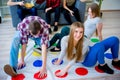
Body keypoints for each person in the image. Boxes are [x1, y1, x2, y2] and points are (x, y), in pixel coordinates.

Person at [53, 22, 120, 76]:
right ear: (71, 31)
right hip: (86, 60)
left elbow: (88, 47)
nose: (78, 34)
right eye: (76, 31)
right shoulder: (65, 39)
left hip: (90, 50)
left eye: (81, 32)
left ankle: (115, 61)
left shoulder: (85, 41)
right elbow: (67, 53)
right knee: (99, 46)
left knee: (114, 39)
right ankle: (102, 65)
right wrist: (62, 64)